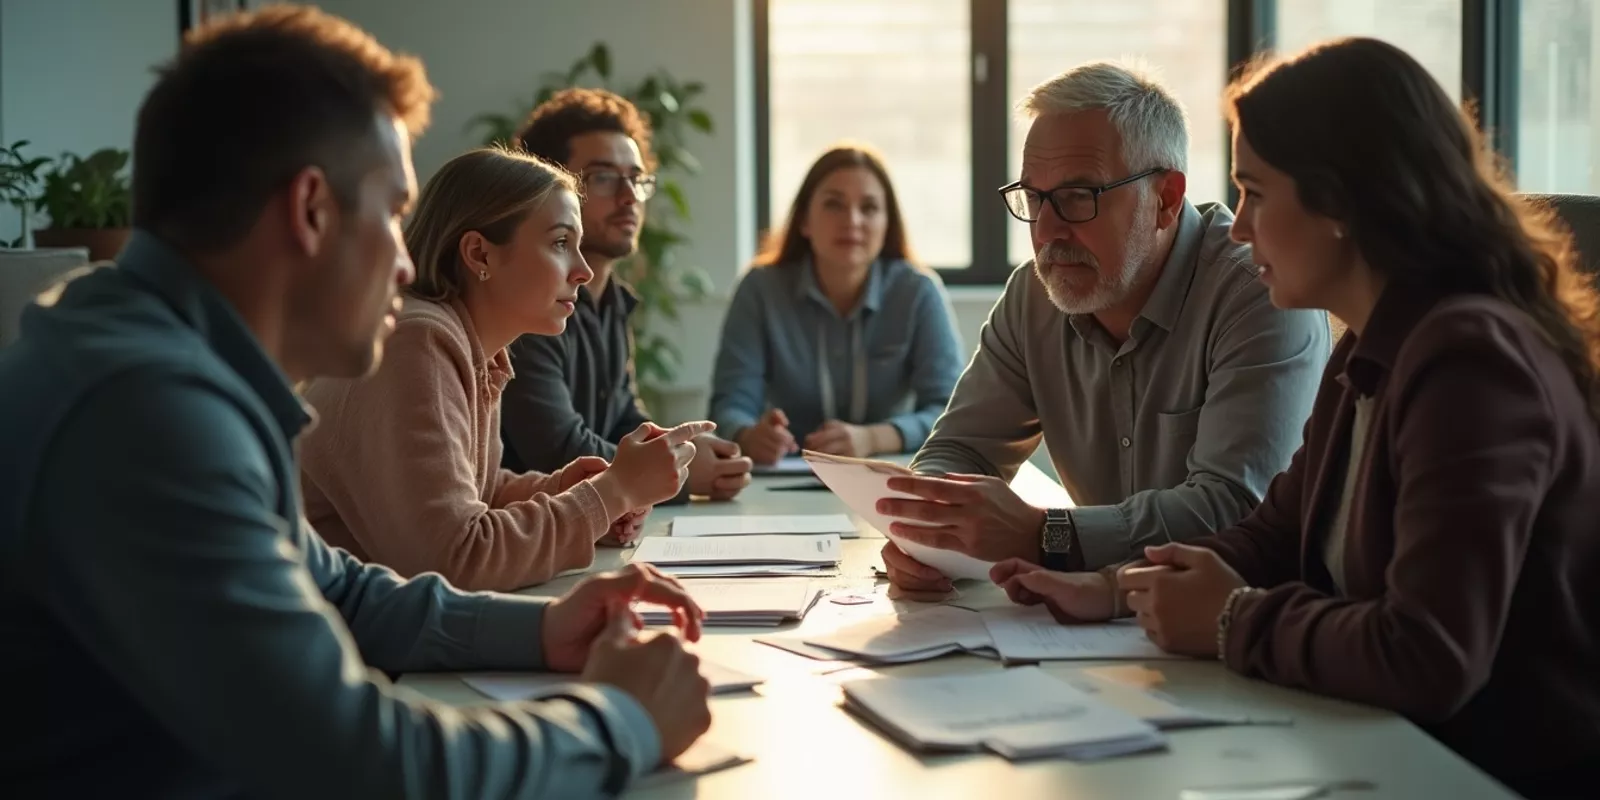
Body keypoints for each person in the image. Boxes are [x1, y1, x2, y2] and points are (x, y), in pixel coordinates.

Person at [0, 7, 711, 797]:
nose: (408, 264)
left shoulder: (167, 360)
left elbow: (334, 586)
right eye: (394, 215)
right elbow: (361, 762)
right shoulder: (145, 411)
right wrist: (619, 720)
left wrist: (547, 625)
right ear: (311, 210)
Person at [991, 38, 1600, 800]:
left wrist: (1231, 620)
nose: (1239, 229)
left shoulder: (1471, 360)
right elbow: (1274, 534)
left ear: (1341, 202)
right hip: (1379, 747)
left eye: (1255, 193)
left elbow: (1429, 654)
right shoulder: (1370, 351)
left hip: (1486, 774)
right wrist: (1117, 587)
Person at [877, 61, 1330, 594]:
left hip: (1240, 628)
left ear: (1165, 199)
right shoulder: (1034, 296)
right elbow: (963, 451)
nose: (1046, 231)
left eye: (1077, 197)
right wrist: (924, 528)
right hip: (1099, 622)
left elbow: (1234, 509)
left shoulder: (1260, 291)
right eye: (1034, 197)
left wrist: (1050, 534)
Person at [299, 147, 704, 591]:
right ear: (480, 254)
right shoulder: (417, 342)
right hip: (351, 647)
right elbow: (458, 559)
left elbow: (476, 492)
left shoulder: (474, 348)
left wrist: (570, 492)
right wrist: (610, 494)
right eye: (561, 244)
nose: (584, 271)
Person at [501, 88, 752, 501]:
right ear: (551, 187)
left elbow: (624, 420)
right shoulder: (529, 302)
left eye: (636, 179)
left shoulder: (613, 300)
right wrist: (681, 475)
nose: (628, 197)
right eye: (602, 178)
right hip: (533, 533)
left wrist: (686, 451)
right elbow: (556, 450)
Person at [709, 144, 966, 464]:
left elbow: (952, 410)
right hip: (783, 475)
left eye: (869, 208)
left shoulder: (918, 292)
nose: (852, 221)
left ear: (887, 225)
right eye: (834, 205)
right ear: (804, 221)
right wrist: (748, 435)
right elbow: (729, 404)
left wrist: (873, 438)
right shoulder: (760, 290)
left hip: (887, 474)